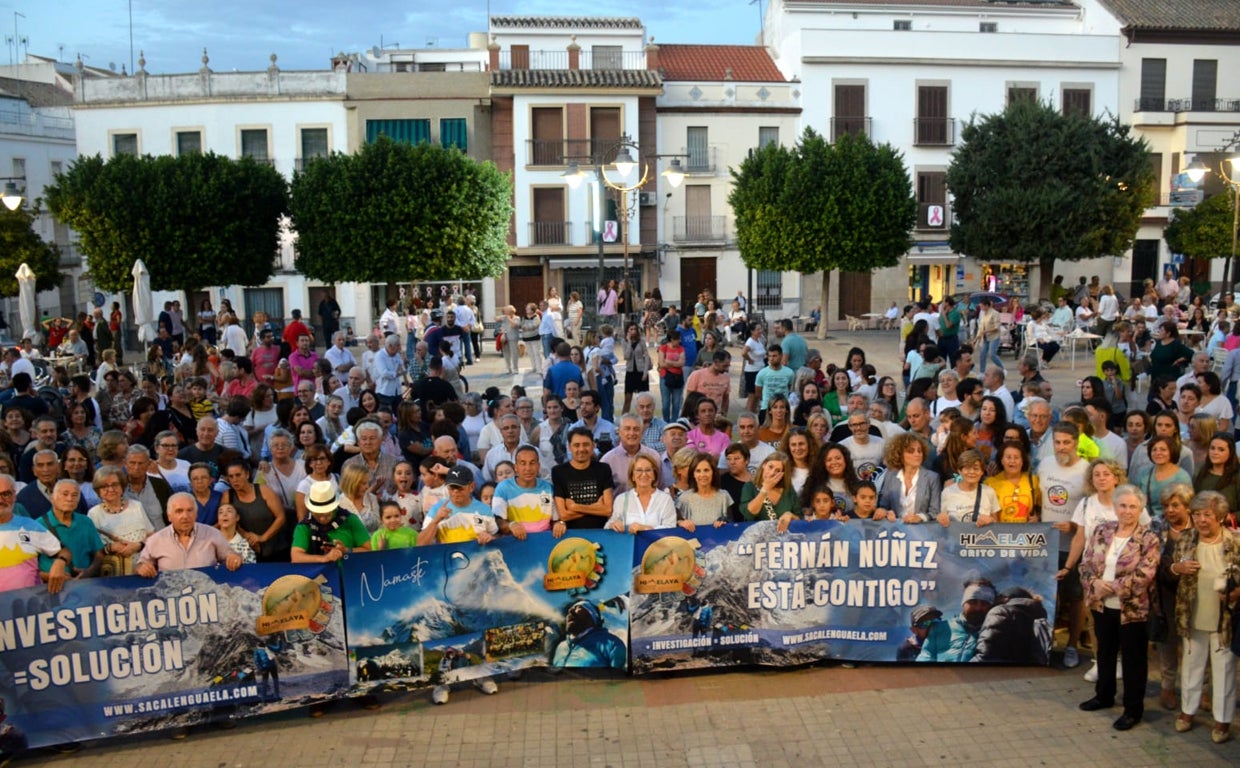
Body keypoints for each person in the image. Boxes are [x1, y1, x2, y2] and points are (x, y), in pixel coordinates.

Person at [1078, 485, 1160, 731]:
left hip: (1132, 609)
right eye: (1122, 505)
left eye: (1132, 506)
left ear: (1141, 509)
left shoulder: (1149, 538)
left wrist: (1111, 586)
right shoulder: (1102, 531)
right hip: (1102, 605)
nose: (1127, 511)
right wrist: (1094, 584)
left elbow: (1146, 574)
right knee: (1105, 652)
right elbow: (1086, 564)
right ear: (1115, 507)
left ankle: (1133, 710)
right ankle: (1103, 695)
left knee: (1134, 660)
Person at [1167, 490, 1240, 743]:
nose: (1201, 520)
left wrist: (1236, 593)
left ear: (1220, 516)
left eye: (1207, 514)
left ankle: (1222, 721)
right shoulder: (1187, 537)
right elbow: (1172, 566)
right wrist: (1178, 567)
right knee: (1191, 666)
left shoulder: (1235, 541)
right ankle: (1187, 712)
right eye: (1197, 514)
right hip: (1192, 613)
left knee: (1224, 670)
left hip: (1224, 618)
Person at [1040, 423, 1091, 668]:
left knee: (1075, 598)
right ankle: (1046, 644)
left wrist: (1075, 525)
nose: (1061, 447)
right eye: (1057, 442)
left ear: (1076, 443)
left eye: (1066, 442)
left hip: (1073, 546)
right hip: (1045, 544)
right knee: (1049, 596)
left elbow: (1093, 509)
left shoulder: (1087, 470)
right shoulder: (1045, 464)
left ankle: (1071, 645)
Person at [135, 492, 243, 576]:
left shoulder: (212, 534)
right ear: (169, 516)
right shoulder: (155, 540)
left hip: (206, 597)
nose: (185, 516)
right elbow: (140, 565)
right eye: (179, 511)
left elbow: (231, 556)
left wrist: (234, 558)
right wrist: (141, 567)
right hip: (170, 599)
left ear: (196, 514)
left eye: (190, 510)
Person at [917, 577, 995, 662]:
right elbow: (925, 657)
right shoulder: (940, 628)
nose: (978, 608)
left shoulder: (993, 634)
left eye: (984, 603)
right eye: (973, 602)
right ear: (964, 602)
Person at [551, 428, 615, 531]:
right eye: (576, 445)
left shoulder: (604, 469)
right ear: (569, 447)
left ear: (593, 445)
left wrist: (574, 507)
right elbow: (563, 515)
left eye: (586, 444)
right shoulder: (558, 472)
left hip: (601, 533)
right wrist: (596, 507)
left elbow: (607, 510)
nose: (581, 449)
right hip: (571, 535)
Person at [491, 445, 555, 538]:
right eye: (523, 463)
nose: (528, 468)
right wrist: (511, 525)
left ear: (538, 466)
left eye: (532, 463)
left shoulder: (548, 487)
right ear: (516, 467)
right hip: (515, 542)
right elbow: (497, 521)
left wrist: (559, 524)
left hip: (544, 540)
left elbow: (556, 520)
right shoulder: (503, 488)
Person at [875, 433, 939, 523]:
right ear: (900, 454)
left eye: (919, 451)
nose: (917, 454)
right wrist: (884, 512)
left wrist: (919, 517)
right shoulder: (891, 475)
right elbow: (883, 505)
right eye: (911, 451)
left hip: (923, 531)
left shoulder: (932, 478)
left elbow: (935, 512)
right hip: (896, 530)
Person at [606, 454, 676, 534]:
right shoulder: (621, 499)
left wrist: (646, 529)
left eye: (648, 470)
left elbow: (670, 528)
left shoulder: (665, 499)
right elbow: (609, 525)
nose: (644, 474)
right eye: (639, 470)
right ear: (632, 476)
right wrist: (613, 525)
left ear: (654, 475)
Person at [938, 449, 1000, 526]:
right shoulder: (947, 492)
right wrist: (942, 519)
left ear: (982, 472)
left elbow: (997, 524)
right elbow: (943, 519)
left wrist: (990, 520)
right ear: (959, 471)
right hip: (955, 537)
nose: (971, 472)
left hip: (982, 536)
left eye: (976, 468)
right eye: (967, 468)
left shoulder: (989, 492)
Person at [740, 453, 798, 522]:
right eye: (770, 467)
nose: (772, 473)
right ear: (764, 464)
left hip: (783, 532)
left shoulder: (788, 490)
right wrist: (765, 489)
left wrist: (790, 515)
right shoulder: (749, 487)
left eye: (778, 471)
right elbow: (748, 514)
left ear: (782, 474)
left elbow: (800, 517)